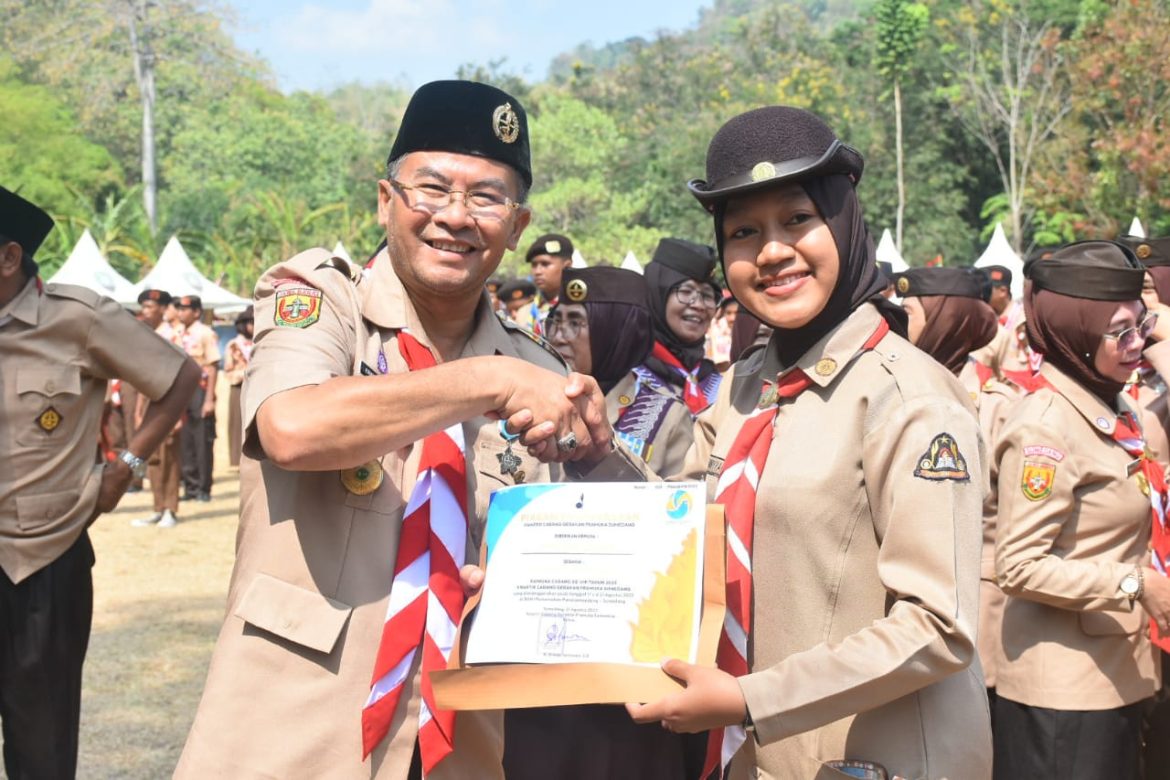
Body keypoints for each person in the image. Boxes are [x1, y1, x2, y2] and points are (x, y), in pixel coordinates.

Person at [175, 80, 622, 780]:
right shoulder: (321, 301)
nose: (457, 216)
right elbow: (291, 426)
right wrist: (484, 381)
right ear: (386, 200)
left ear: (518, 223)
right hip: (298, 724)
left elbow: (589, 540)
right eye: (432, 189)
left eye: (487, 197)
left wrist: (595, 464)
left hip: (460, 736)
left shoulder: (534, 364)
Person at [622, 106, 991, 779]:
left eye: (797, 219)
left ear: (845, 222)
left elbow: (939, 627)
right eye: (743, 231)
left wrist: (747, 698)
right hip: (750, 755)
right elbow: (683, 531)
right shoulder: (745, 387)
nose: (770, 251)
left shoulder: (910, 399)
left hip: (873, 759)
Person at [0, 185, 199, 778]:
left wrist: (128, 466)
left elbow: (178, 378)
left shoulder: (76, 318)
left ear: (9, 258)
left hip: (43, 562)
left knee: (41, 746)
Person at [508, 265, 703, 779]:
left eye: (578, 322)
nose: (560, 335)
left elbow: (683, 529)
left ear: (618, 328)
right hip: (538, 650)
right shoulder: (533, 404)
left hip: (620, 665)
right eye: (558, 320)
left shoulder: (666, 416)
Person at [992, 241, 1168, 779]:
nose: (1137, 344)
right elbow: (1018, 566)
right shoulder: (1045, 426)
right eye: (1119, 332)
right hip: (1064, 695)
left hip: (1120, 674)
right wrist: (1135, 585)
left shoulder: (1115, 404)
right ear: (1074, 331)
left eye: (1141, 326)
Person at [895, 266, 1020, 715]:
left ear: (946, 317)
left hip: (978, 605)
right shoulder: (895, 389)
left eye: (907, 311)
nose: (895, 321)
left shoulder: (996, 402)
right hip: (902, 604)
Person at [608, 238, 723, 477]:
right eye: (686, 292)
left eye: (707, 295)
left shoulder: (724, 385)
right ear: (657, 294)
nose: (699, 305)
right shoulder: (624, 375)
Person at [174, 294, 220, 502]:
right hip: (181, 391)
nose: (180, 313)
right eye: (179, 309)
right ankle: (190, 487)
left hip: (199, 390)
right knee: (185, 439)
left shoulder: (205, 333)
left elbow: (211, 366)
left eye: (185, 309)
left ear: (196, 312)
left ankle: (203, 488)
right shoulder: (177, 333)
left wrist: (209, 398)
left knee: (202, 440)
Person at [223, 305, 254, 468]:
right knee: (237, 423)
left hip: (256, 388)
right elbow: (227, 369)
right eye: (252, 322)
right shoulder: (233, 344)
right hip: (238, 387)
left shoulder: (260, 342)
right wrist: (244, 374)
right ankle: (237, 457)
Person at [526, 232, 574, 309]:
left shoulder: (581, 309)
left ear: (567, 267)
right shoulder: (524, 312)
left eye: (545, 264)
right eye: (534, 265)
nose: (537, 272)